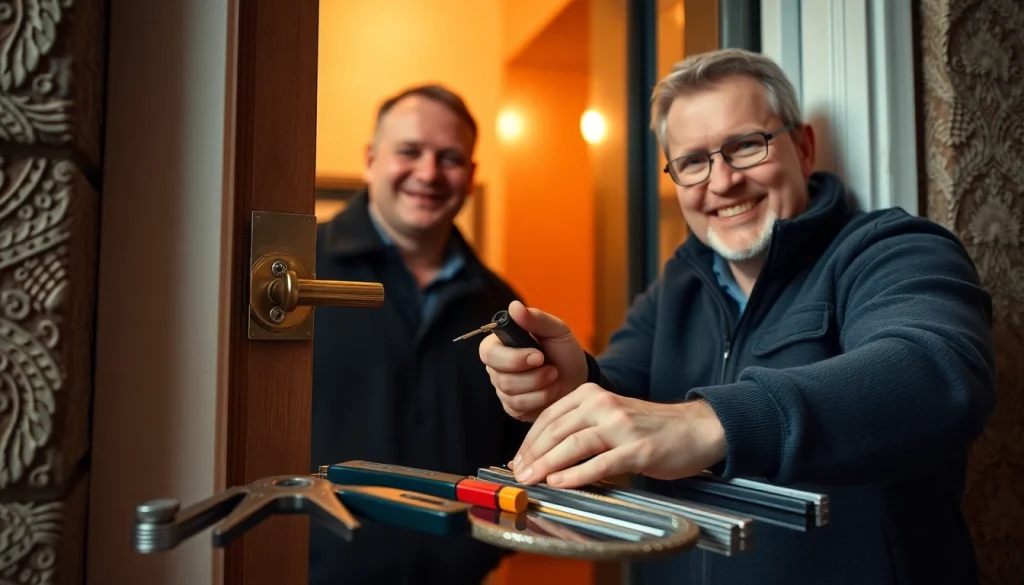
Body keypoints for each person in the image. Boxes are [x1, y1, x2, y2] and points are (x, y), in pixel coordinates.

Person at [478, 49, 996, 585]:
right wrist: (570, 383)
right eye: (692, 162)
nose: (722, 182)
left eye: (747, 145)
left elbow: (940, 374)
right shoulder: (675, 287)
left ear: (804, 148)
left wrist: (711, 422)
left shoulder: (891, 249)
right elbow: (622, 396)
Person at [309, 84, 530, 585]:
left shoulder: (501, 306)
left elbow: (519, 452)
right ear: (371, 160)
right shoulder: (298, 279)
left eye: (449, 158)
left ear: (470, 175)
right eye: (409, 151)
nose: (428, 174)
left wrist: (480, 553)